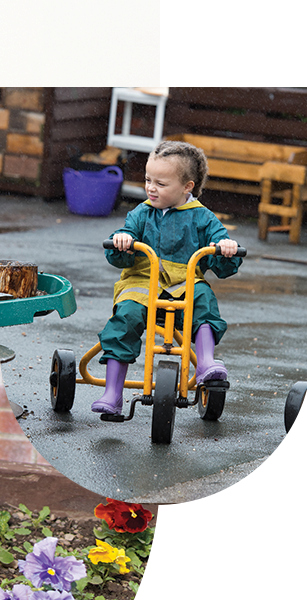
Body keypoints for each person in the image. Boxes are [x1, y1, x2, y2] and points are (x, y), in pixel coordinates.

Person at [92, 139, 243, 415]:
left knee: (204, 300)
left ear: (188, 187)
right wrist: (122, 240)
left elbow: (221, 252)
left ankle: (206, 362)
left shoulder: (203, 218)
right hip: (142, 283)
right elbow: (122, 241)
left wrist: (226, 249)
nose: (151, 188)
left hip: (184, 283)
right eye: (149, 180)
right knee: (126, 316)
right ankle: (112, 392)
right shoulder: (142, 213)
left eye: (161, 184)